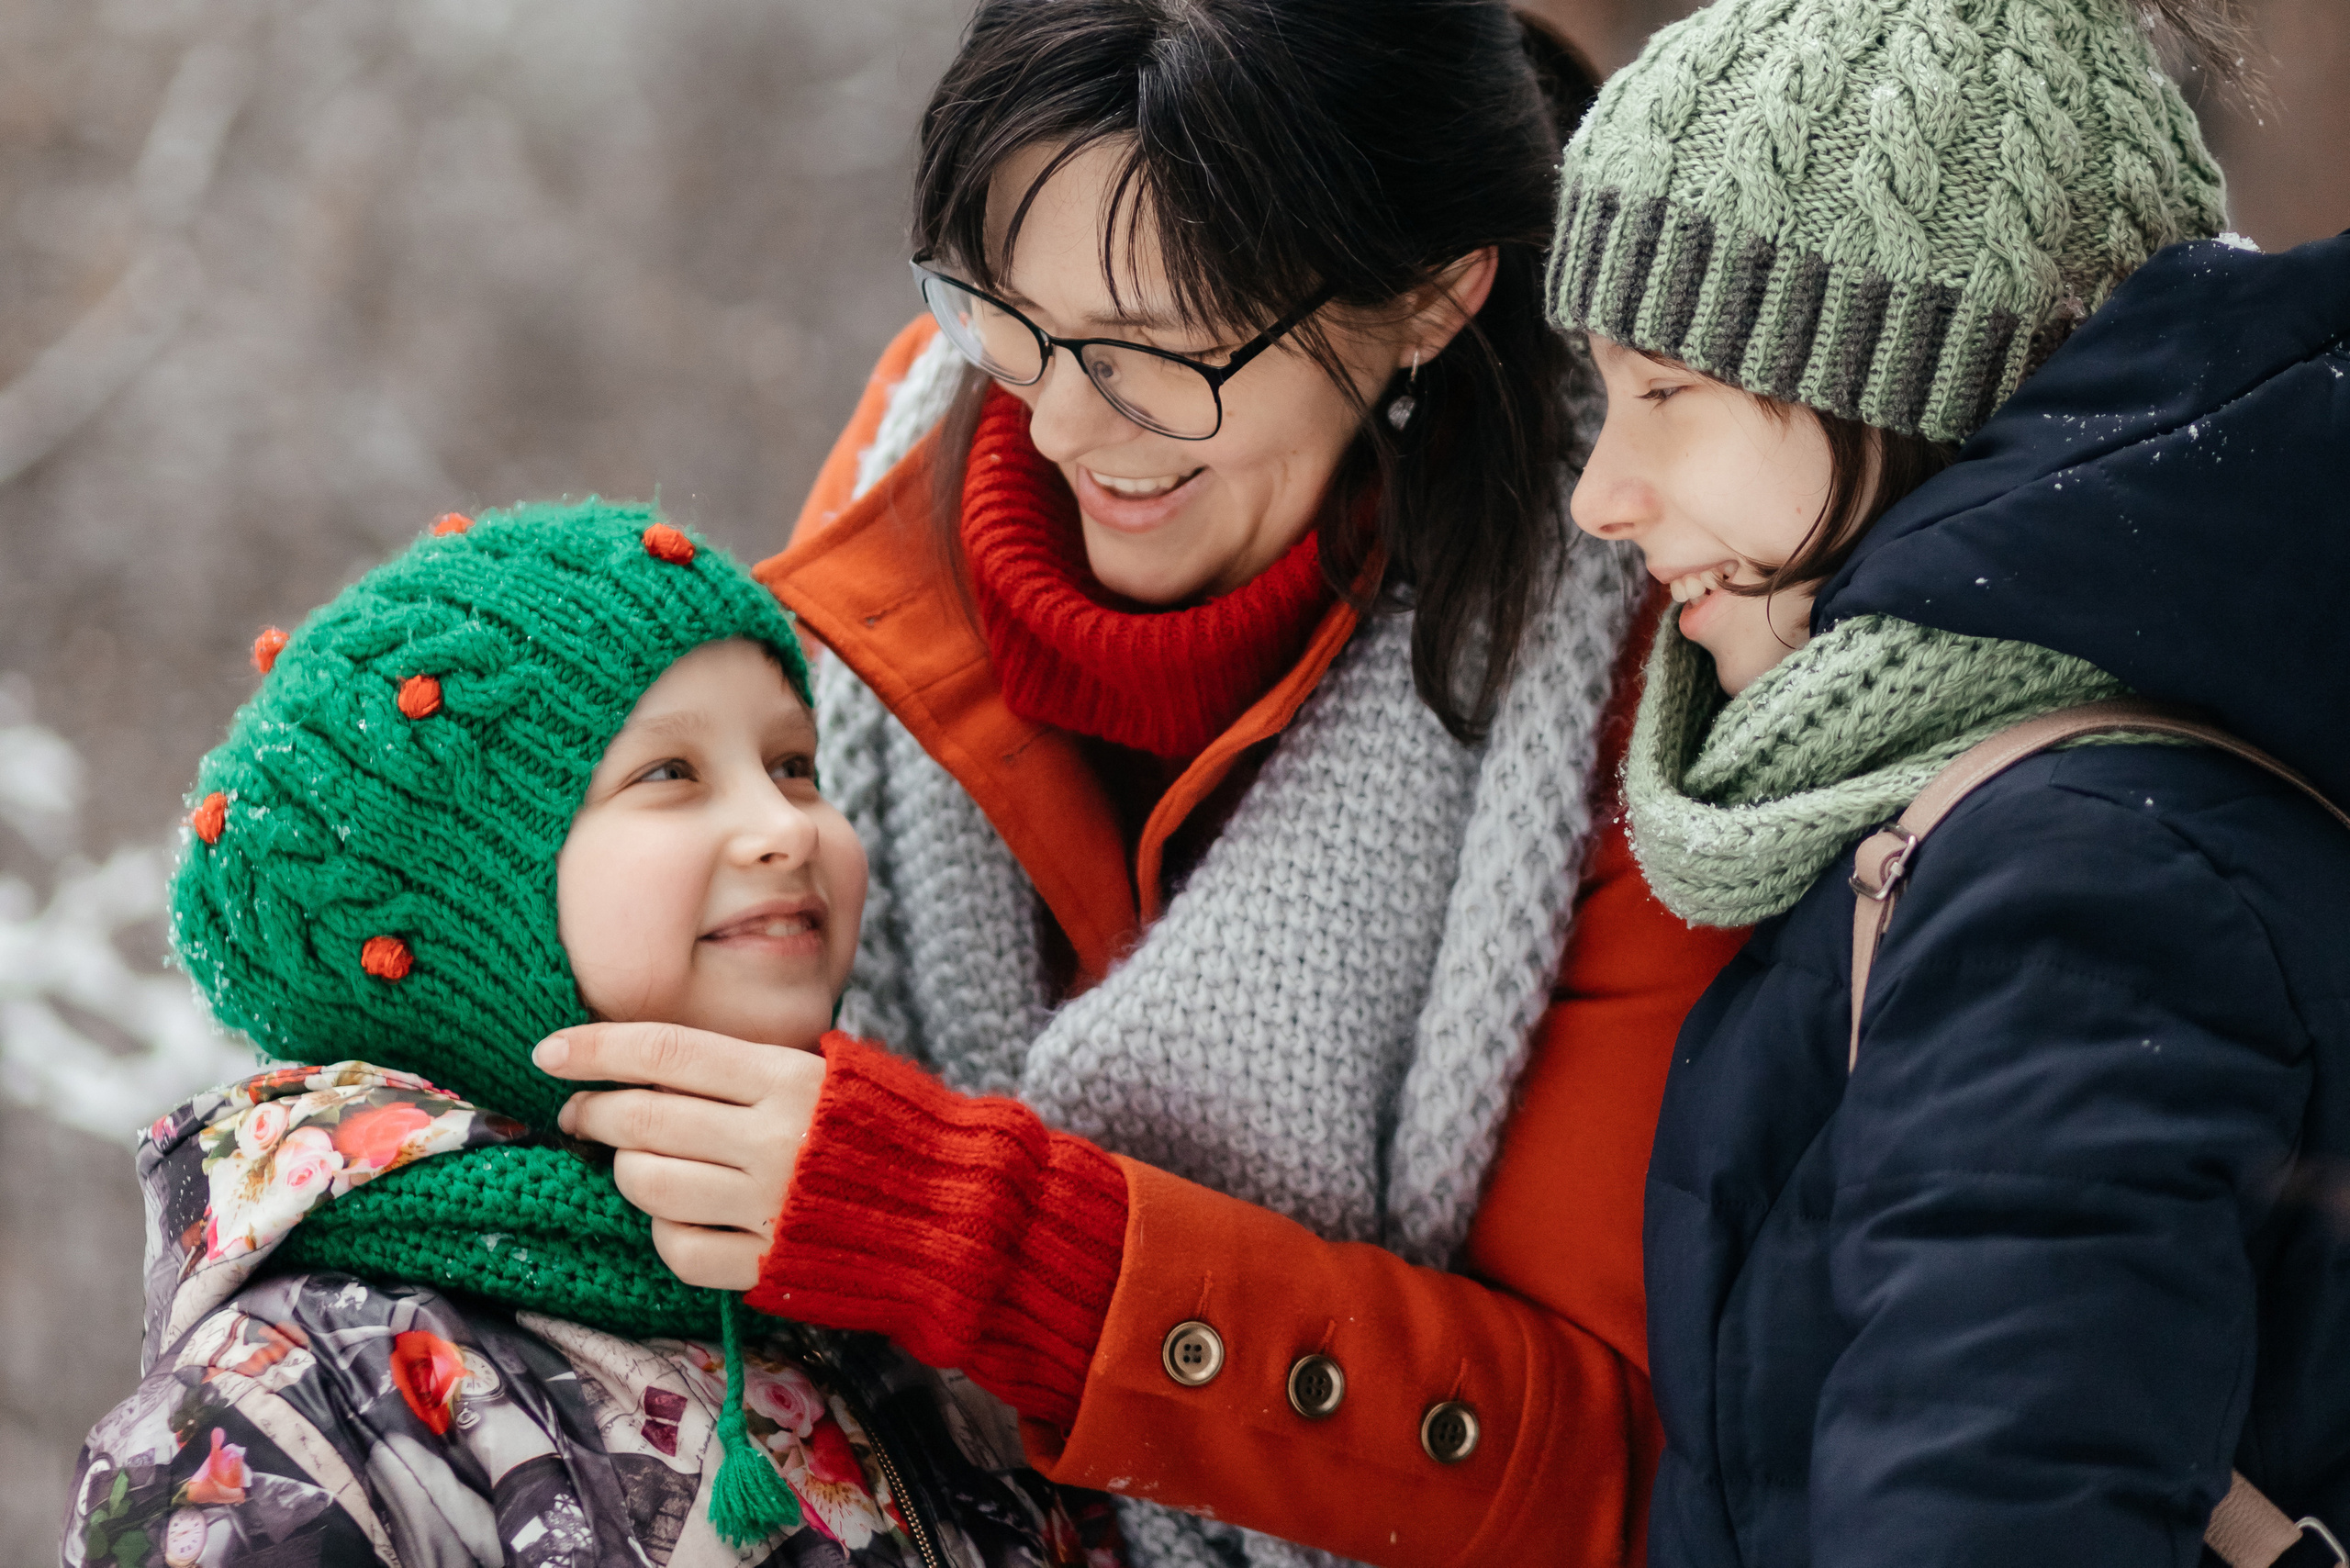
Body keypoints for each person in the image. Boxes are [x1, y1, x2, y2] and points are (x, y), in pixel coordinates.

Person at [529, 4, 1748, 1566]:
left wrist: (985, 1244)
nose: (1061, 421)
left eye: (1167, 348)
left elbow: (1607, 1468)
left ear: (1432, 298)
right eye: (1007, 310)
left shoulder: (1629, 647)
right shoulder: (925, 439)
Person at [1547, 0, 2350, 1560]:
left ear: (1904, 383)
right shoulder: (2023, 806)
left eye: (1666, 392)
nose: (1602, 493)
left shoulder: (2078, 876)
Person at [63, 500, 1123, 1568]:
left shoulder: (888, 1300)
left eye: (796, 765)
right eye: (670, 776)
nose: (786, 824)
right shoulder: (301, 1402)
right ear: (465, 898)